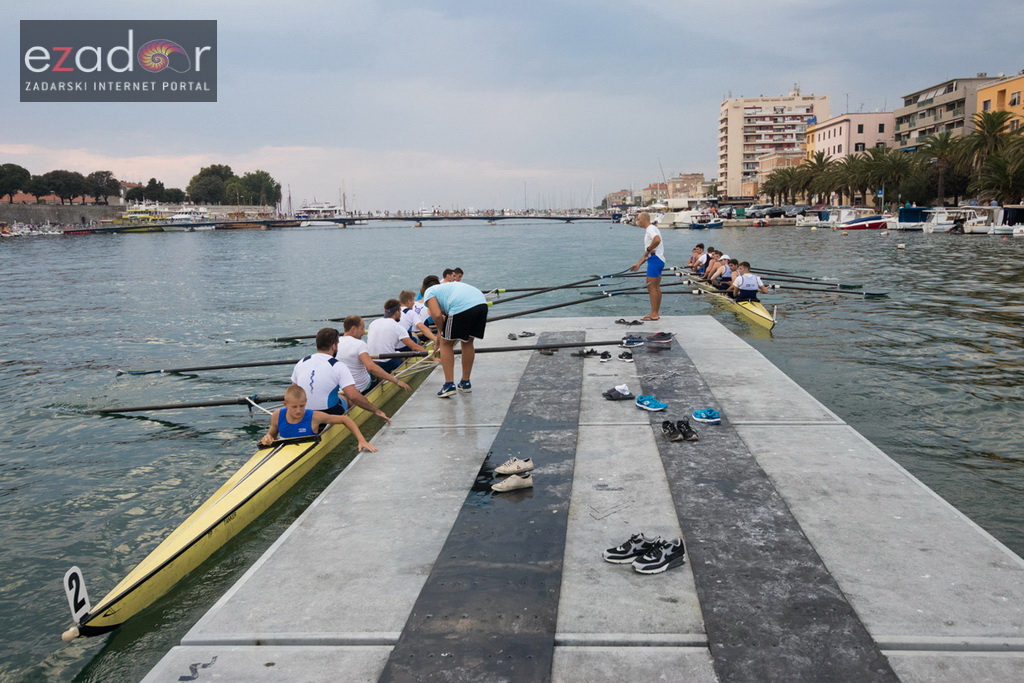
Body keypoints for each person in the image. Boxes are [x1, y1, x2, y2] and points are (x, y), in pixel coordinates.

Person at [291, 327, 391, 421]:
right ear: (334, 346)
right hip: (330, 412)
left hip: (304, 411)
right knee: (347, 396)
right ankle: (354, 419)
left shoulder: (301, 362)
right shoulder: (337, 365)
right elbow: (354, 396)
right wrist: (376, 410)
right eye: (337, 345)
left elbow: (293, 392)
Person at [260, 384, 377, 453]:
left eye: (302, 406)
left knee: (344, 401)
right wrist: (267, 438)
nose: (299, 410)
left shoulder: (315, 417)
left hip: (307, 451)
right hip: (283, 452)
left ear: (306, 402)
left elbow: (345, 419)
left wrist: (362, 440)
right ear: (285, 404)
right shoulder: (277, 415)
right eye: (294, 407)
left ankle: (343, 396)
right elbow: (272, 435)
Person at [422, 279, 488, 398]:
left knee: (446, 344)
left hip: (462, 307)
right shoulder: (446, 289)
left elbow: (437, 315)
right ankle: (465, 383)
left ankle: (449, 385)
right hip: (482, 304)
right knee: (467, 342)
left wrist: (440, 334)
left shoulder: (429, 291)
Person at [336, 315, 412, 393]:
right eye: (362, 329)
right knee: (377, 372)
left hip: (343, 387)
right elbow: (371, 368)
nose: (363, 332)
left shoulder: (335, 343)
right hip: (362, 386)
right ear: (353, 329)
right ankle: (382, 389)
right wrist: (396, 381)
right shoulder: (359, 344)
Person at [367, 299, 426, 372]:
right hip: (386, 362)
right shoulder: (397, 327)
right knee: (402, 356)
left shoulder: (373, 323)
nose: (401, 314)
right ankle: (396, 371)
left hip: (371, 361)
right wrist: (432, 357)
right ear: (397, 312)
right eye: (400, 311)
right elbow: (414, 347)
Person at [629, 211, 663, 321]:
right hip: (656, 259)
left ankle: (654, 314)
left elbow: (657, 240)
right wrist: (639, 263)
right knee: (656, 287)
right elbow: (648, 253)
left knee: (651, 286)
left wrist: (648, 249)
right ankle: (655, 313)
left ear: (643, 220)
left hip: (655, 260)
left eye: (638, 219)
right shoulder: (652, 228)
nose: (637, 221)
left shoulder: (650, 229)